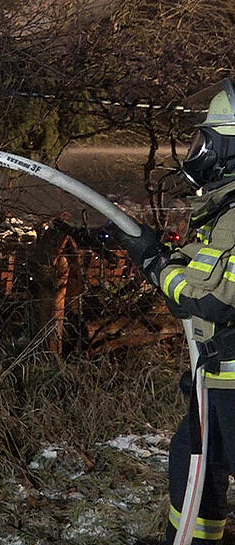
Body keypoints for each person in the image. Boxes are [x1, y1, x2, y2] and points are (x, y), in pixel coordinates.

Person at [115, 80, 235, 544]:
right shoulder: (223, 208)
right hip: (217, 376)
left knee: (199, 467)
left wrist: (152, 263)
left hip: (229, 379)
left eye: (209, 140)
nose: (199, 150)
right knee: (194, 469)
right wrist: (160, 253)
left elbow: (205, 298)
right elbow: (200, 266)